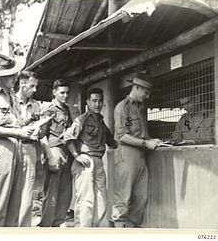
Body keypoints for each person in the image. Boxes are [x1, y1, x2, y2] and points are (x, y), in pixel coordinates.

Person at [0, 54, 35, 227]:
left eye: (15, 74)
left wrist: (27, 127)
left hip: (16, 149)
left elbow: (15, 123)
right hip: (0, 149)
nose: (15, 78)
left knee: (14, 204)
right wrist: (19, 133)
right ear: (1, 76)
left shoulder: (12, 97)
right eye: (12, 75)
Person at [111, 75, 162, 228]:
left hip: (140, 155)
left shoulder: (140, 108)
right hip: (127, 154)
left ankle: (132, 231)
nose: (148, 96)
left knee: (141, 197)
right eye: (145, 92)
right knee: (123, 197)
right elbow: (122, 136)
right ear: (137, 88)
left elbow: (142, 134)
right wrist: (146, 142)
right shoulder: (123, 107)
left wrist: (153, 140)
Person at [64, 88, 117, 227]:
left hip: (98, 162)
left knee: (102, 201)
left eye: (100, 101)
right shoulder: (82, 119)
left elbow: (112, 142)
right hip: (85, 161)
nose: (97, 104)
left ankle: (93, 230)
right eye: (94, 101)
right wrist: (76, 156)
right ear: (88, 102)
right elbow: (67, 137)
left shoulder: (101, 122)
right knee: (86, 201)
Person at [5, 70, 42, 227]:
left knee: (27, 192)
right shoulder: (9, 101)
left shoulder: (35, 105)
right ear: (21, 83)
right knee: (8, 191)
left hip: (29, 148)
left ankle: (23, 230)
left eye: (36, 86)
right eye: (32, 86)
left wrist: (37, 130)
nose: (34, 90)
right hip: (10, 148)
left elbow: (38, 129)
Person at [38, 79, 73, 227]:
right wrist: (50, 157)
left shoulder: (67, 110)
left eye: (67, 93)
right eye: (62, 93)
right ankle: (46, 226)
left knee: (65, 191)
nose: (65, 96)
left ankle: (58, 223)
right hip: (54, 151)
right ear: (54, 92)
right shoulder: (49, 109)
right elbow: (41, 135)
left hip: (66, 152)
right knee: (51, 192)